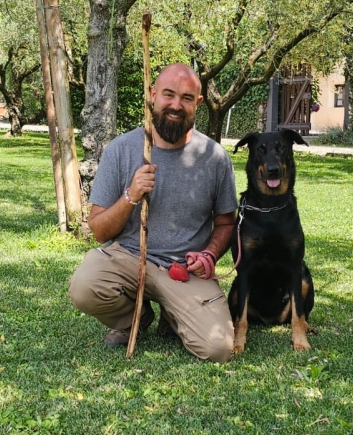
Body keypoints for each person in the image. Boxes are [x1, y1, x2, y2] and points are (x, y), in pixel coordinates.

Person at [69, 63, 237, 362]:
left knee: (218, 349)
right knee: (85, 287)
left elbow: (226, 223)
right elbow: (99, 231)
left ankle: (174, 315)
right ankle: (135, 317)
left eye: (186, 98)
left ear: (198, 103)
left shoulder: (215, 157)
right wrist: (131, 196)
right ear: (152, 94)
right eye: (168, 94)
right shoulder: (121, 149)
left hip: (184, 269)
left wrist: (209, 254)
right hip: (129, 258)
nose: (176, 105)